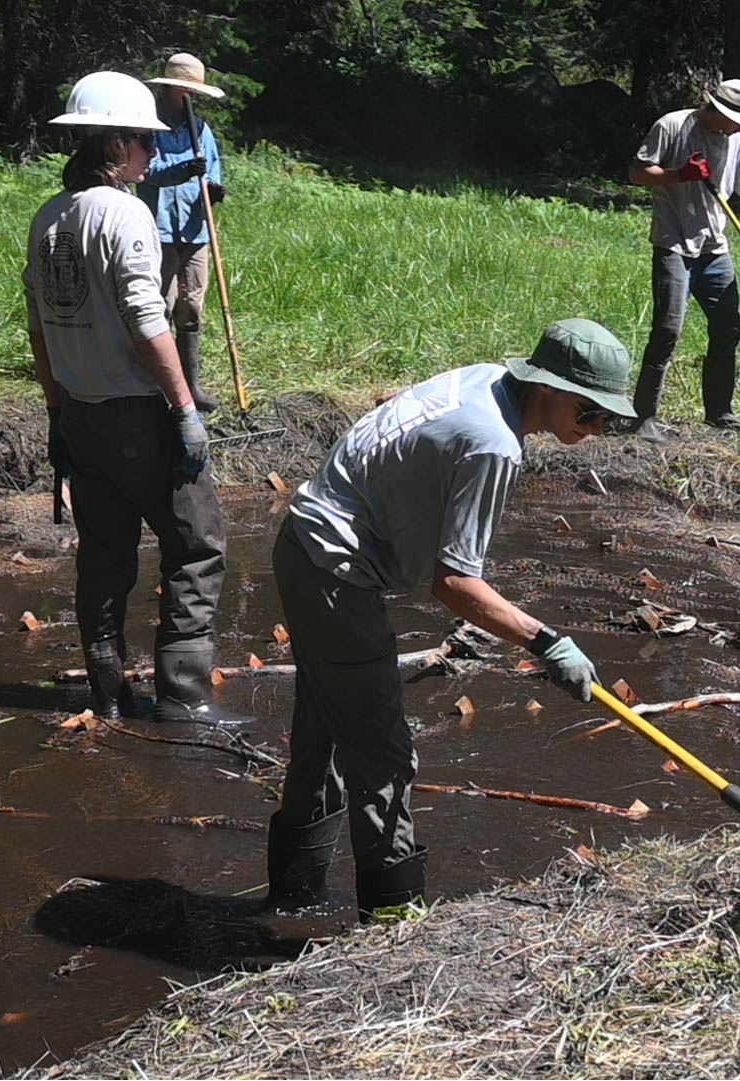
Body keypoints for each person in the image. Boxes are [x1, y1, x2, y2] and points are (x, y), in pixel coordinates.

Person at [260, 318, 639, 913]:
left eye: (605, 418)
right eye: (589, 412)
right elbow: (455, 584)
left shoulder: (485, 381)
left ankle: (291, 902)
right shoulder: (494, 442)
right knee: (383, 755)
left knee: (324, 734)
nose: (595, 429)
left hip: (303, 548)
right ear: (549, 388)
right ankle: (392, 922)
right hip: (335, 572)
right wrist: (547, 642)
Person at [24, 70, 227, 725]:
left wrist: (56, 414)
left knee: (105, 559)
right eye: (143, 140)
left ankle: (106, 693)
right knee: (196, 547)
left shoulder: (49, 217)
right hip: (138, 415)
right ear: (114, 143)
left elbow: (37, 328)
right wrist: (185, 410)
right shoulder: (124, 213)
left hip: (81, 416)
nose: (150, 152)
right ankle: (183, 698)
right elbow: (148, 321)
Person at [623, 77, 740, 432]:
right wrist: (680, 175)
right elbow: (637, 173)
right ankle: (643, 417)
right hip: (673, 244)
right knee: (667, 330)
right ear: (720, 110)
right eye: (738, 119)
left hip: (715, 249)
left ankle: (720, 412)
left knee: (729, 328)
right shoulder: (673, 126)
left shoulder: (737, 142)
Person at [137, 52, 231, 410]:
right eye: (184, 91)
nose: (191, 98)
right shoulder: (149, 127)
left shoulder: (202, 129)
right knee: (159, 304)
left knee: (191, 306)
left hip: (194, 229)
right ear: (171, 91)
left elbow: (213, 171)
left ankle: (191, 385)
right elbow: (146, 172)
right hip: (158, 229)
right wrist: (182, 170)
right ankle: (157, 384)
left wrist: (214, 190)